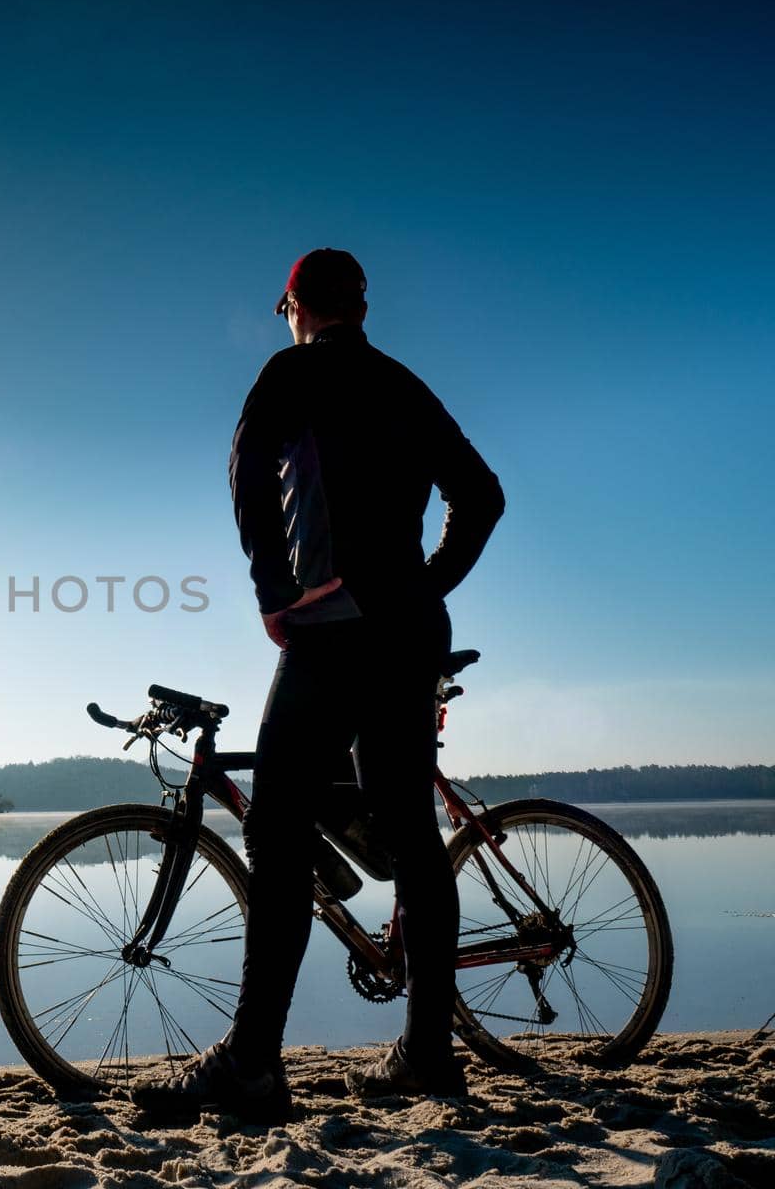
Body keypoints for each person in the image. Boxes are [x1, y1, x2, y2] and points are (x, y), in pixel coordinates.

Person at [132, 248, 505, 1122]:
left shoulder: (292, 370)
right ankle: (427, 1059)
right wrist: (423, 586)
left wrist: (275, 596)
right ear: (363, 308)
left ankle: (254, 1066)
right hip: (409, 632)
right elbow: (482, 496)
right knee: (412, 834)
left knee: (279, 831)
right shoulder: (403, 384)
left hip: (331, 629)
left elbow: (247, 477)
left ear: (295, 305)